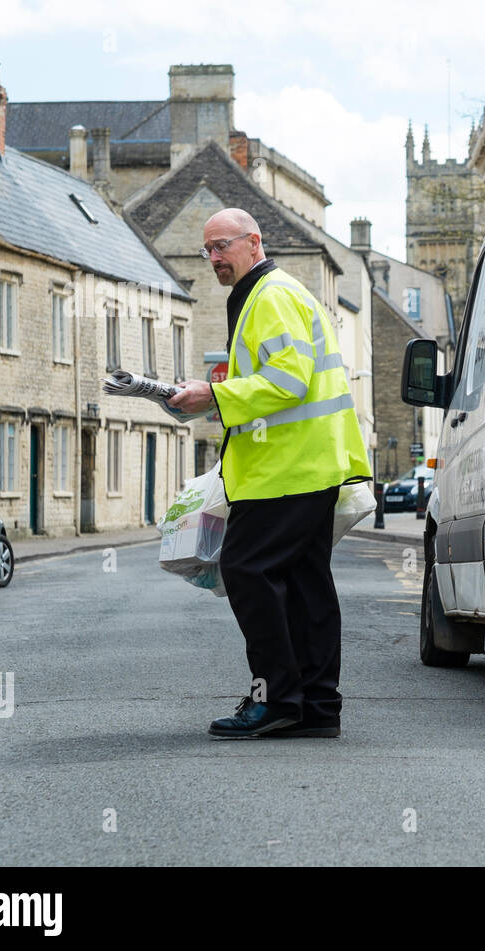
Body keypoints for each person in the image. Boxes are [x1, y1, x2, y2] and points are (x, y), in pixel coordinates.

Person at [169, 208, 371, 739]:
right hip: (304, 464)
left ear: (254, 243)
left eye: (223, 246)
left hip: (289, 469)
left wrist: (211, 394)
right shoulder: (273, 293)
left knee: (247, 571)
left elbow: (287, 379)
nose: (214, 258)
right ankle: (316, 707)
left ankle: (277, 698)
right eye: (207, 250)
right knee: (305, 585)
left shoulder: (272, 296)